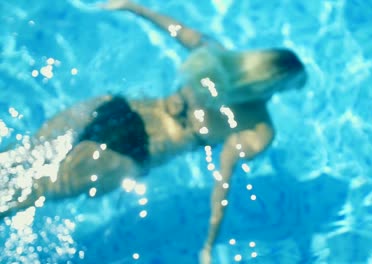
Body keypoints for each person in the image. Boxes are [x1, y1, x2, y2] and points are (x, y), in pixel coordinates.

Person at [0, 0, 307, 263]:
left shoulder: (218, 58)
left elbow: (176, 30)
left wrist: (134, 7)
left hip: (116, 109)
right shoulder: (258, 129)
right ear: (278, 87)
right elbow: (222, 184)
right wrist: (209, 245)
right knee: (34, 190)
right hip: (135, 149)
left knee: (23, 157)